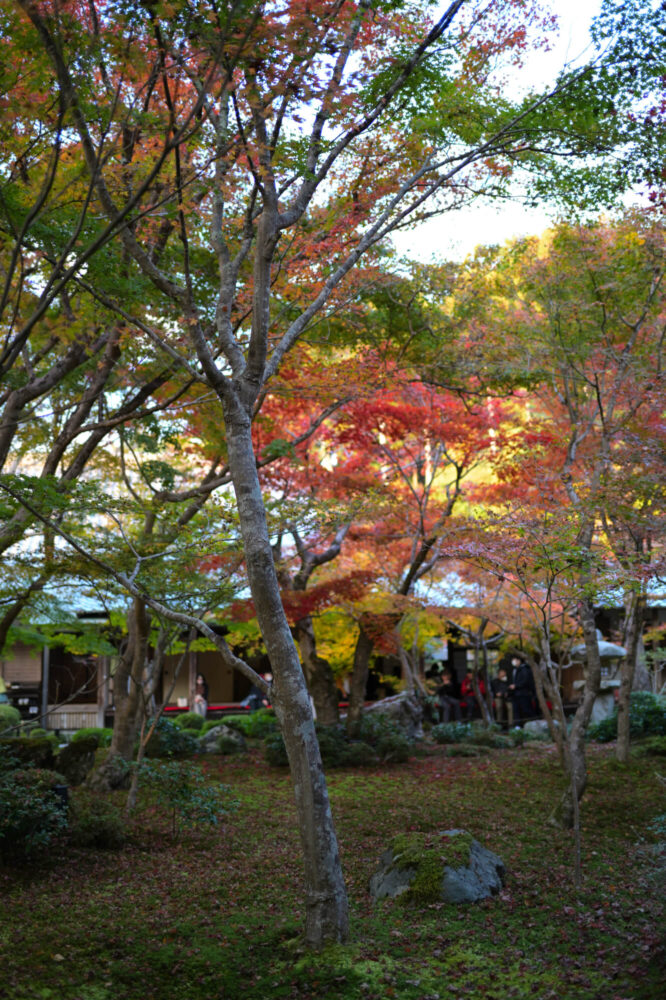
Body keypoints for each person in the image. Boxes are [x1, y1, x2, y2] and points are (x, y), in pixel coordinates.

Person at [508, 656, 535, 725]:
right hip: (515, 694)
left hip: (524, 693)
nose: (513, 662)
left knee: (526, 709)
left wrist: (516, 686)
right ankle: (518, 725)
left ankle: (530, 724)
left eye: (515, 660)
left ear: (519, 660)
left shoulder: (525, 669)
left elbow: (525, 681)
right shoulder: (515, 670)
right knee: (516, 710)